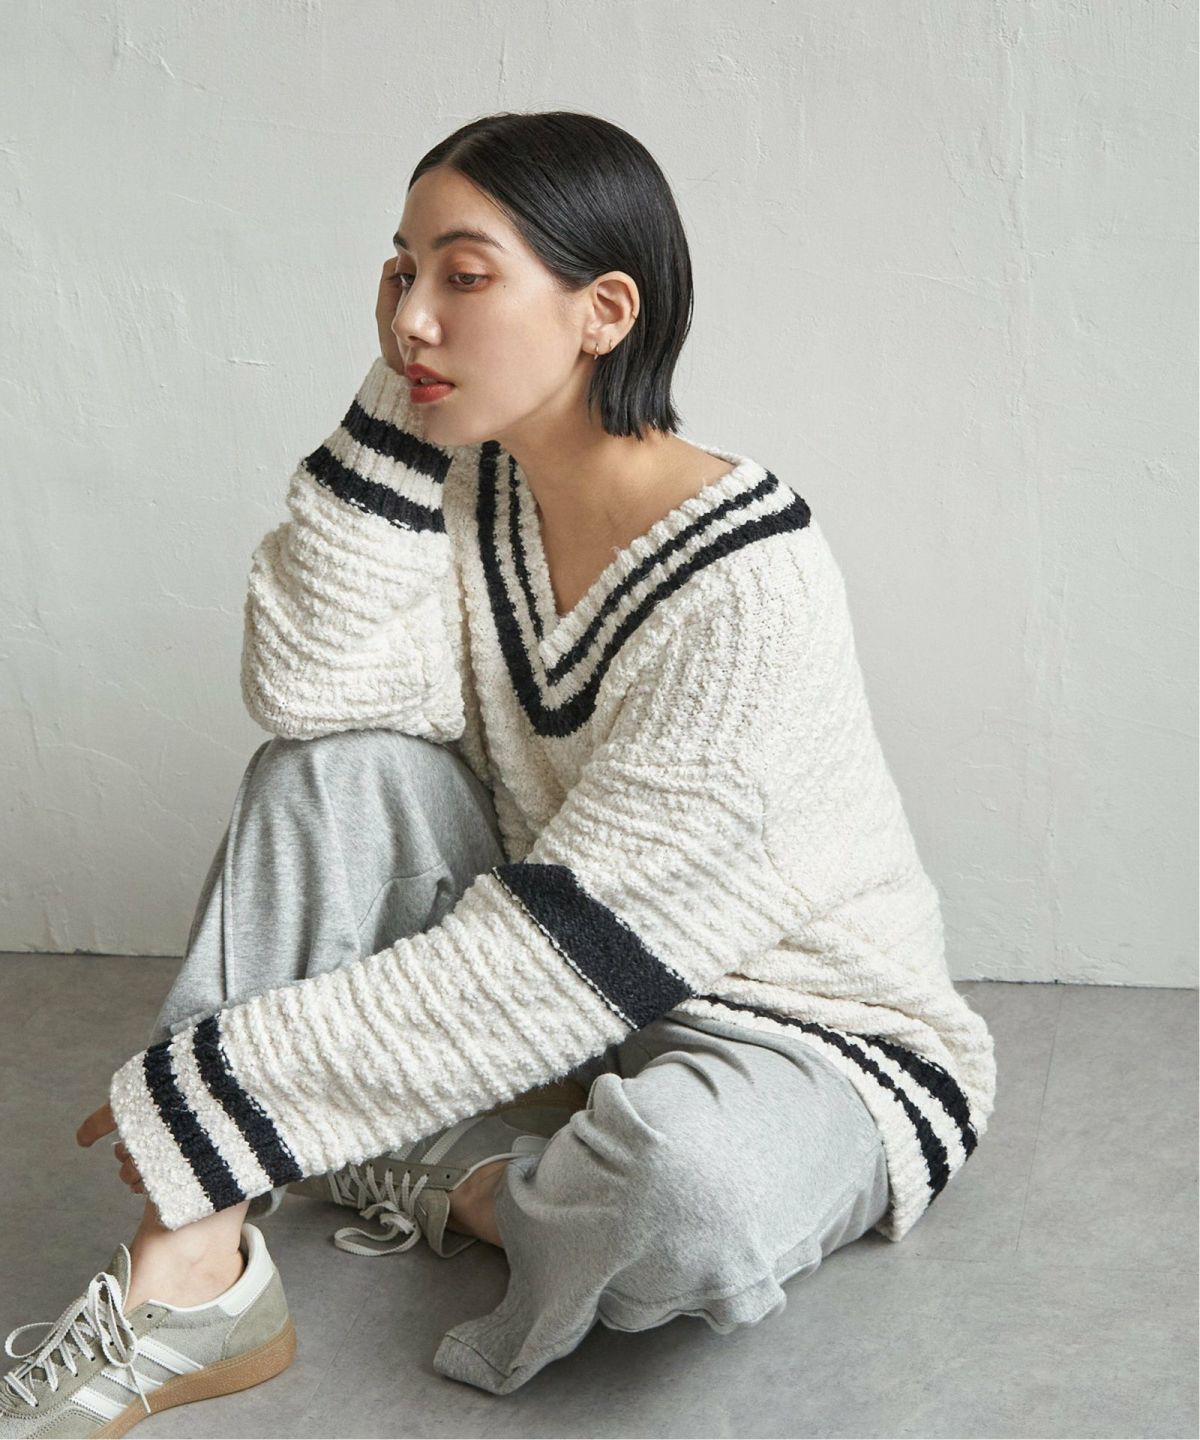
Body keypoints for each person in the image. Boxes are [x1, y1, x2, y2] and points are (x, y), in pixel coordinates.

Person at [1, 110, 997, 1434]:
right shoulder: (470, 483)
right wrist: (408, 405)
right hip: (569, 980)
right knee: (325, 767)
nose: (409, 318)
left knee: (685, 1199)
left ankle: (433, 1159)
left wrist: (231, 1087)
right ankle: (193, 1276)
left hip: (800, 1029)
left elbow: (574, 952)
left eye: (463, 278)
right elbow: (317, 691)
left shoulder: (749, 592)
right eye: (399, 272)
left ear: (605, 312)